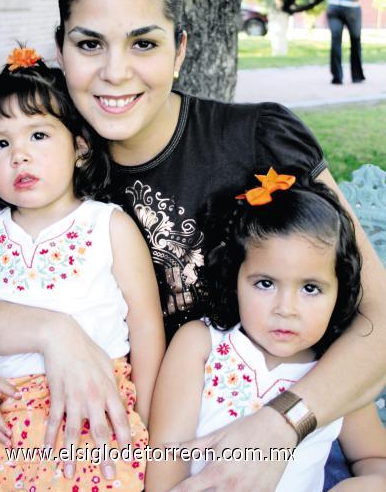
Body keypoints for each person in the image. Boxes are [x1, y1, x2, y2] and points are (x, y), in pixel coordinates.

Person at [0, 0, 385, 491]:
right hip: (93, 456)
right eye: (90, 44)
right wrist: (52, 332)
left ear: (180, 50)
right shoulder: (42, 155)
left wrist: (282, 423)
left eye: (143, 43)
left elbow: (375, 315)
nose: (116, 72)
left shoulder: (257, 138)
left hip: (282, 447)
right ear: (61, 49)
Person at [0, 48, 165, 490]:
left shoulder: (108, 225)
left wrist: (147, 418)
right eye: (1, 143)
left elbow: (147, 328)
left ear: (79, 148)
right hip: (11, 417)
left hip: (95, 406)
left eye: (38, 136)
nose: (19, 155)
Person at [146, 169, 386, 491]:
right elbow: (165, 464)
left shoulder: (334, 372)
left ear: (339, 292)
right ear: (235, 280)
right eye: (265, 283)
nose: (285, 308)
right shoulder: (201, 346)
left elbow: (375, 460)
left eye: (311, 288)